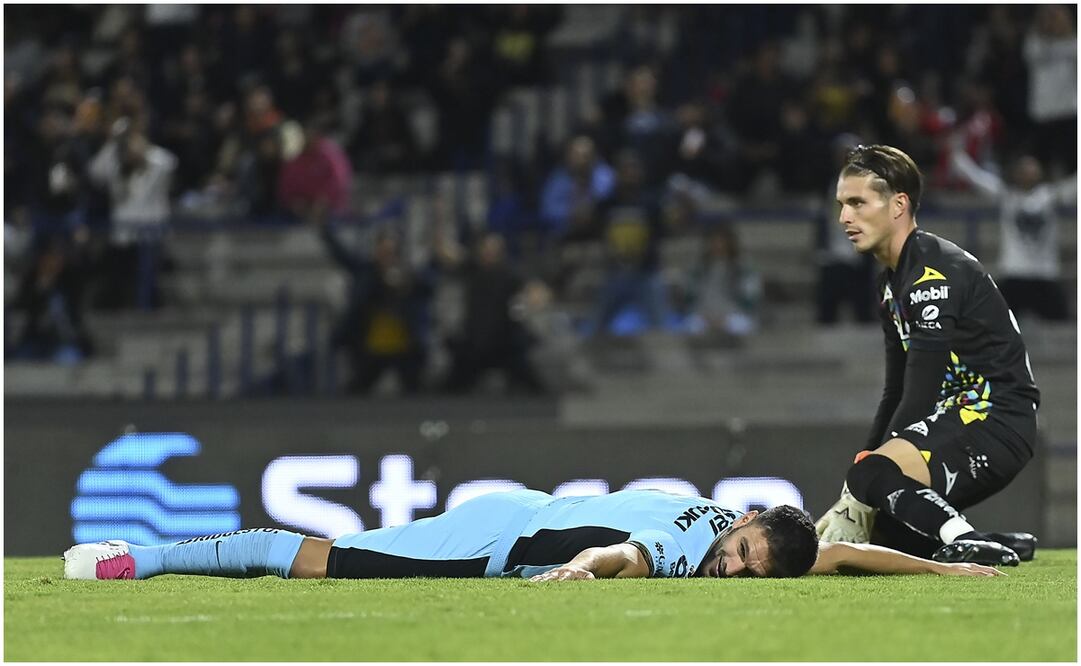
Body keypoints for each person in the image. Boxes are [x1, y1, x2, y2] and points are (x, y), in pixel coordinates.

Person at [814, 144, 1040, 567]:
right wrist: (860, 477)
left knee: (872, 484)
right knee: (884, 527)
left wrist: (861, 482)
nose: (845, 217)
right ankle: (995, 542)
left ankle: (966, 539)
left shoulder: (931, 275)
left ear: (898, 204)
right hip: (961, 419)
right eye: (842, 205)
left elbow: (920, 394)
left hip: (997, 418)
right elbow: (894, 389)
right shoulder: (890, 285)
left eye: (858, 203)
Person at [63, 488, 1002, 582]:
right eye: (739, 556)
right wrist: (583, 575)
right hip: (499, 539)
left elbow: (843, 552)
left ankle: (138, 556)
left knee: (328, 560)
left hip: (525, 506)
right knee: (319, 563)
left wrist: (940, 566)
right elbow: (624, 555)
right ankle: (134, 558)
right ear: (747, 523)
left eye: (743, 574)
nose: (728, 570)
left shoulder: (751, 524)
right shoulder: (684, 553)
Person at [949, 137, 1074, 321]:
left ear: (1040, 173)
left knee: (1062, 323)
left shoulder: (1049, 197)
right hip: (1015, 273)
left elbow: (1074, 188)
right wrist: (957, 155)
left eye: (1033, 169)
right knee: (992, 319)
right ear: (1016, 173)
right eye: (1024, 170)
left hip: (1045, 274)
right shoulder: (1007, 195)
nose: (1029, 174)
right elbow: (977, 178)